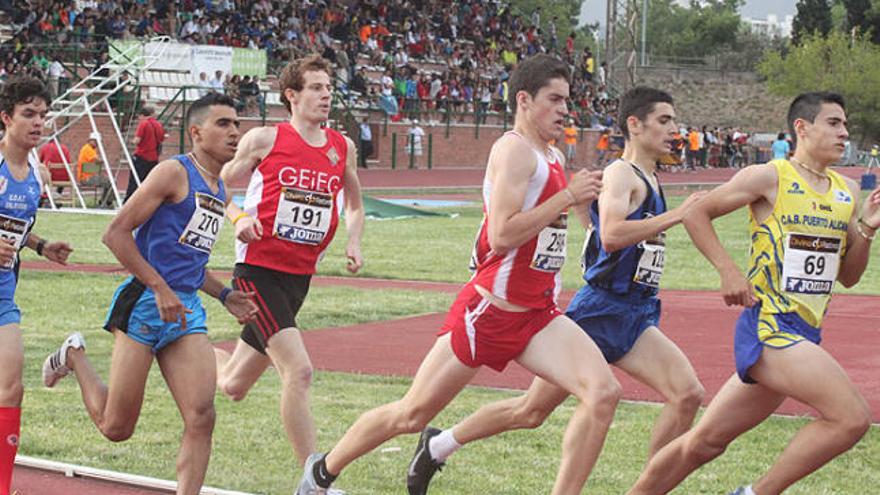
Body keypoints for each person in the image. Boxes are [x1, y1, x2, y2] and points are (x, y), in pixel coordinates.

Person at [295, 53, 615, 495]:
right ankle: (321, 473)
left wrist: (586, 207)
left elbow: (549, 224)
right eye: (555, 99)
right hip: (489, 311)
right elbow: (503, 235)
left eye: (567, 99)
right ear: (524, 99)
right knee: (411, 415)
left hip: (537, 314)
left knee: (602, 393)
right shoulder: (513, 150)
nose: (565, 109)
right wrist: (565, 199)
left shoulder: (552, 154)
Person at [406, 86, 707, 495]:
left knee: (687, 394)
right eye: (665, 121)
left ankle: (648, 489)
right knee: (534, 411)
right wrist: (675, 216)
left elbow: (595, 224)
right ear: (634, 126)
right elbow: (615, 233)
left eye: (675, 121)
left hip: (636, 310)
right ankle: (440, 444)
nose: (675, 130)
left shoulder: (651, 177)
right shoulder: (622, 173)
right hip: (601, 309)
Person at [626, 91, 879, 495]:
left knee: (704, 443)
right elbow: (695, 212)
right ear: (802, 127)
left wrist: (866, 229)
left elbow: (848, 276)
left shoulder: (847, 191)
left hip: (805, 332)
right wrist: (728, 271)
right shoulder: (770, 176)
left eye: (845, 125)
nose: (844, 133)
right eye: (834, 123)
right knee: (851, 418)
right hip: (770, 328)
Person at [41, 93, 258, 495]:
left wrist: (225, 295)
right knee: (116, 428)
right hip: (143, 301)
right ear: (196, 132)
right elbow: (115, 234)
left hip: (186, 308)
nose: (235, 133)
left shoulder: (220, 190)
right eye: (224, 124)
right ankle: (74, 355)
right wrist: (159, 288)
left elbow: (189, 261)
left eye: (237, 125)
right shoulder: (172, 173)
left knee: (202, 415)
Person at [213, 54, 365, 474]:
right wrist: (238, 216)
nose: (326, 94)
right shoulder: (264, 139)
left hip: (299, 278)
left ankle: (182, 346)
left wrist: (353, 240)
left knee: (234, 384)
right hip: (257, 272)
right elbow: (213, 183)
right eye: (316, 87)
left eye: (329, 87)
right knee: (298, 372)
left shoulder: (341, 147)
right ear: (291, 96)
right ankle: (313, 478)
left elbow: (353, 202)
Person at [0, 75, 73, 495]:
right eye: (28, 114)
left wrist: (42, 245)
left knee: (11, 387)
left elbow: (16, 228)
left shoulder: (35, 175)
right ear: (6, 118)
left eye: (43, 115)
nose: (38, 122)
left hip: (3, 295)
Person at [126, 106, 167, 201]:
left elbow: (137, 140)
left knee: (134, 181)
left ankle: (129, 202)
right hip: (153, 158)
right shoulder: (158, 124)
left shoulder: (143, 124)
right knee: (150, 183)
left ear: (142, 115)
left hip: (142, 156)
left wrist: (132, 141)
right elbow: (161, 139)